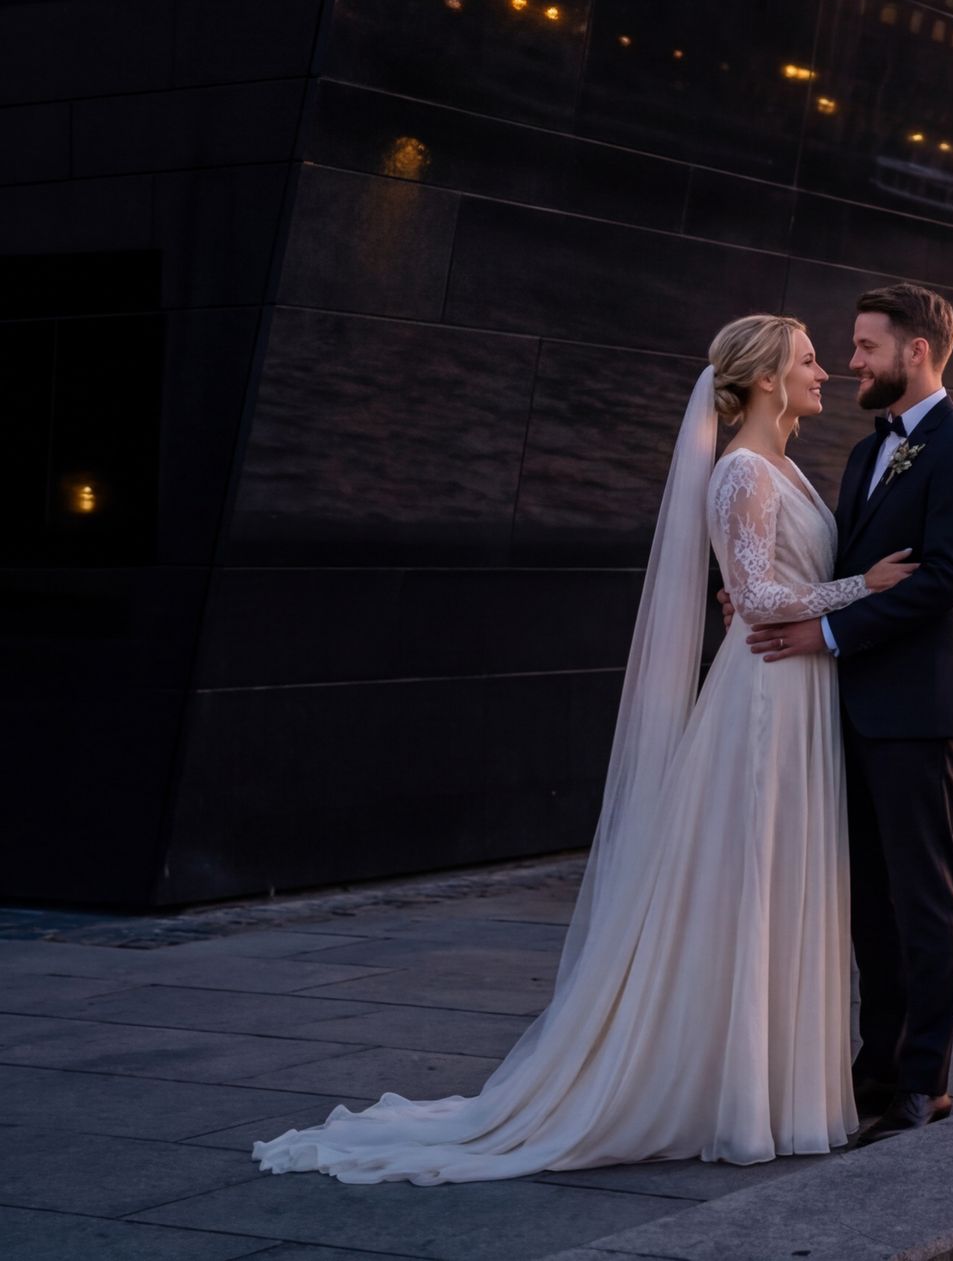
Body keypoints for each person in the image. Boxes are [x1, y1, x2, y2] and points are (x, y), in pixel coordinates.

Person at [254, 315, 918, 1181]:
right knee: (753, 877)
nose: (823, 370)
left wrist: (812, 595)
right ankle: (732, 1089)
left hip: (801, 691)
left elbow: (764, 586)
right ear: (764, 378)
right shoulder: (740, 471)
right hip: (763, 699)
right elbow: (755, 595)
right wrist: (860, 586)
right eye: (807, 359)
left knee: (783, 876)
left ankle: (772, 1085)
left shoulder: (786, 466)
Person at [745, 284, 953, 1146]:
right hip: (846, 709)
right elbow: (841, 567)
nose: (851, 361)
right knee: (868, 904)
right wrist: (761, 596)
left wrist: (823, 632)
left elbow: (944, 581)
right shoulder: (864, 452)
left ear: (915, 351)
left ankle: (926, 1080)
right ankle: (878, 1064)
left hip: (917, 712)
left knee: (922, 899)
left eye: (865, 346)